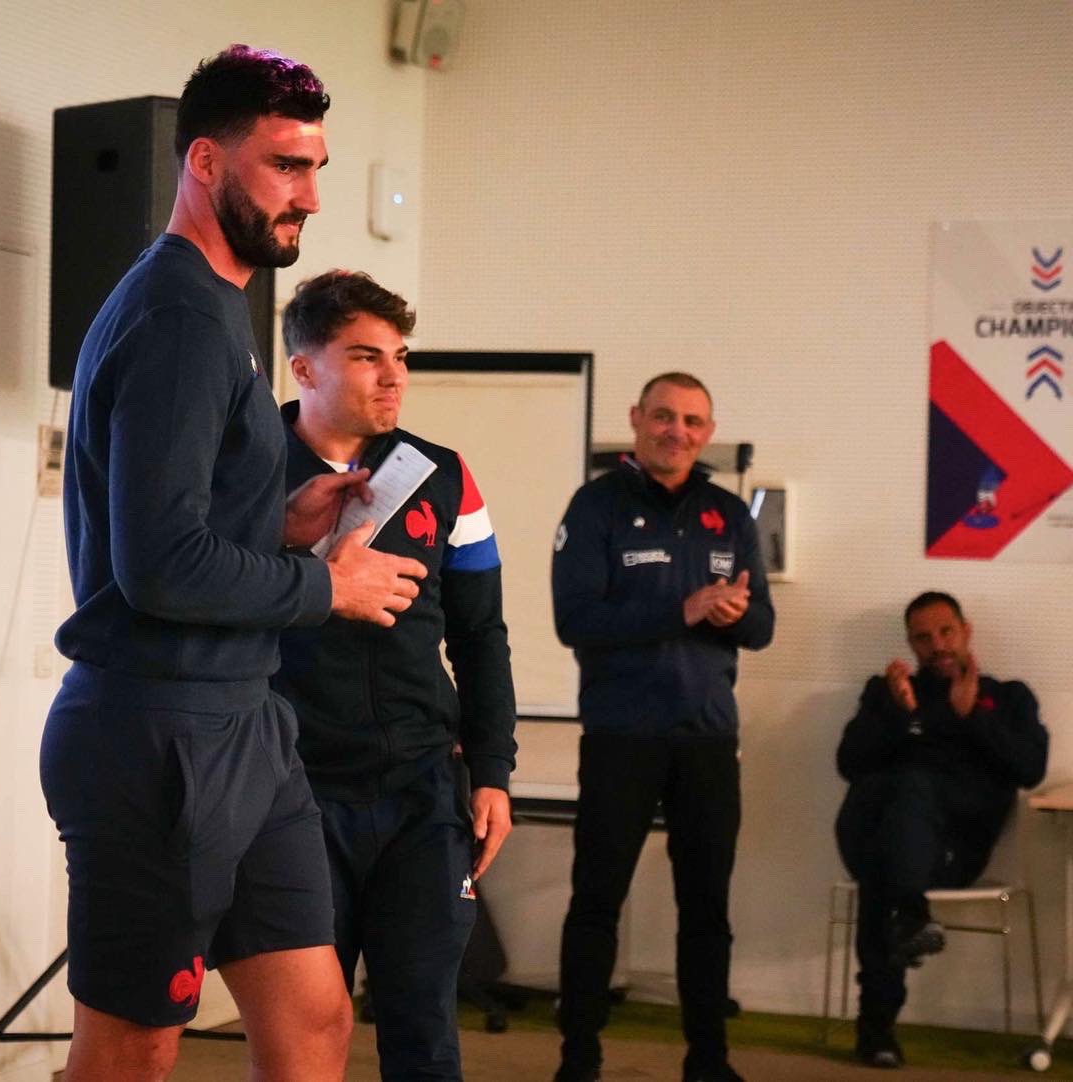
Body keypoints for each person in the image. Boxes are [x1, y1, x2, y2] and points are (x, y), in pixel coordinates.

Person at [39, 47, 428, 1082]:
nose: (306, 195)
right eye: (283, 166)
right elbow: (159, 566)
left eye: (317, 167)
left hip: (246, 721)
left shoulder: (222, 306)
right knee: (129, 1054)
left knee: (313, 1021)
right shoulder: (176, 317)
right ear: (207, 162)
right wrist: (326, 585)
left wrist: (285, 522)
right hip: (156, 734)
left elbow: (194, 523)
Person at [273, 270, 518, 1080]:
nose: (393, 376)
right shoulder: (243, 468)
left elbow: (482, 637)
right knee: (310, 1031)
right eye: (366, 357)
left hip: (421, 790)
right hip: (295, 791)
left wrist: (492, 773)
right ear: (305, 369)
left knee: (421, 1025)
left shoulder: (444, 474)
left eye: (401, 357)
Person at [550, 372, 774, 1082]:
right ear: (638, 421)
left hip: (708, 740)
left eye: (693, 421)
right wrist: (679, 611)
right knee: (596, 902)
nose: (678, 431)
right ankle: (577, 1059)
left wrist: (735, 615)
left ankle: (709, 1060)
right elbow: (574, 620)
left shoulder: (727, 514)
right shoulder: (596, 507)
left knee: (706, 909)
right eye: (665, 417)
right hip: (622, 737)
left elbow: (763, 627)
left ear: (707, 434)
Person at [835, 591, 1048, 1069]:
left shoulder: (1008, 697)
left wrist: (973, 715)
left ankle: (877, 1029)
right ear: (911, 644)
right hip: (872, 833)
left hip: (953, 853)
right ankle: (909, 914)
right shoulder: (888, 692)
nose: (937, 646)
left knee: (888, 858)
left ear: (965, 630)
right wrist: (897, 714)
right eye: (923, 638)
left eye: (945, 632)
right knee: (890, 807)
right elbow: (848, 764)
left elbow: (1030, 768)